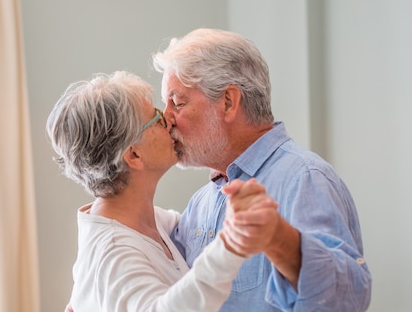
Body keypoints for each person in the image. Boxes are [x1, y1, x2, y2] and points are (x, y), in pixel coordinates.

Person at [152, 28, 372, 311]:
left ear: (229, 102)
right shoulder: (199, 204)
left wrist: (277, 237)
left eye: (177, 102)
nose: (166, 119)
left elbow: (347, 299)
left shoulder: (305, 179)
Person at [47, 71, 279, 312]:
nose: (168, 120)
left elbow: (197, 229)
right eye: (156, 118)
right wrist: (229, 245)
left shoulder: (151, 221)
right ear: (133, 155)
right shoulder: (114, 252)